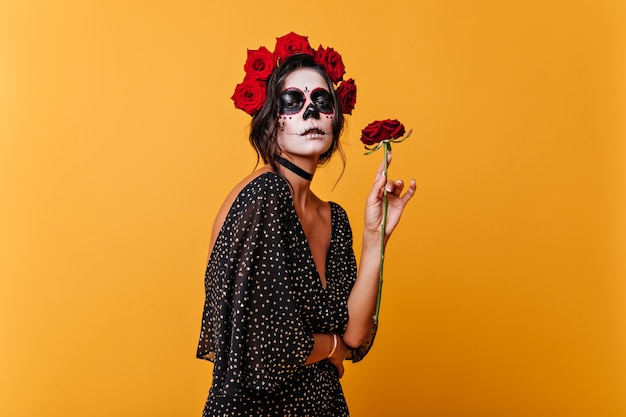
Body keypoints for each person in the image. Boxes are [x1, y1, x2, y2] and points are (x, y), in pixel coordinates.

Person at [196, 34, 416, 416]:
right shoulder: (264, 195)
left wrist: (374, 238)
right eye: (292, 102)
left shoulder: (336, 218)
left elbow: (354, 335)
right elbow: (261, 348)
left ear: (336, 118)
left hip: (322, 406)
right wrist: (331, 348)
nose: (310, 113)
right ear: (270, 122)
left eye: (321, 101)